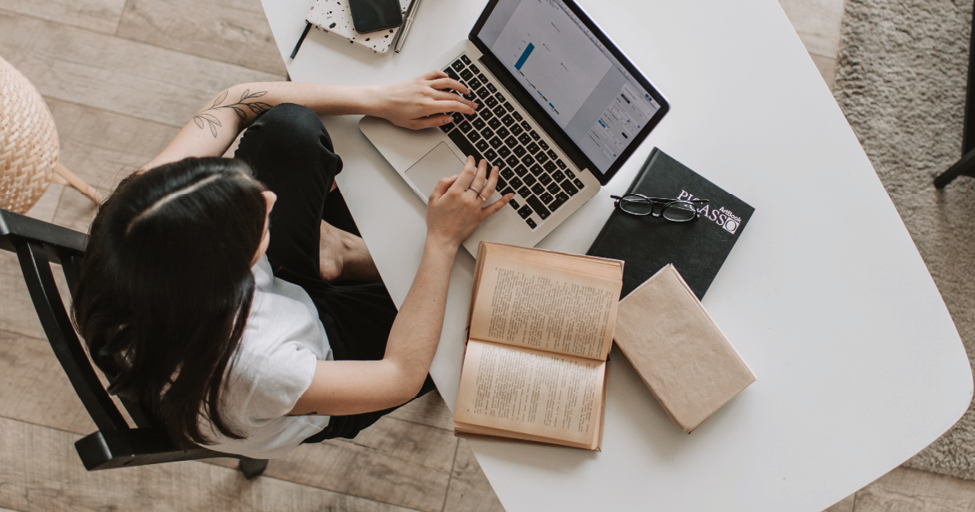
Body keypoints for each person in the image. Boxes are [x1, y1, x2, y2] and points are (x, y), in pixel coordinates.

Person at [72, 71, 512, 459]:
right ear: (231, 276)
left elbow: (233, 102)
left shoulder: (139, 217)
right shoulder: (259, 367)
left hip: (254, 309)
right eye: (254, 223)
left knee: (288, 128)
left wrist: (378, 98)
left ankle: (334, 255)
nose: (269, 198)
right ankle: (340, 255)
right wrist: (440, 241)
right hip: (321, 365)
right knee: (477, 314)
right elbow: (399, 376)